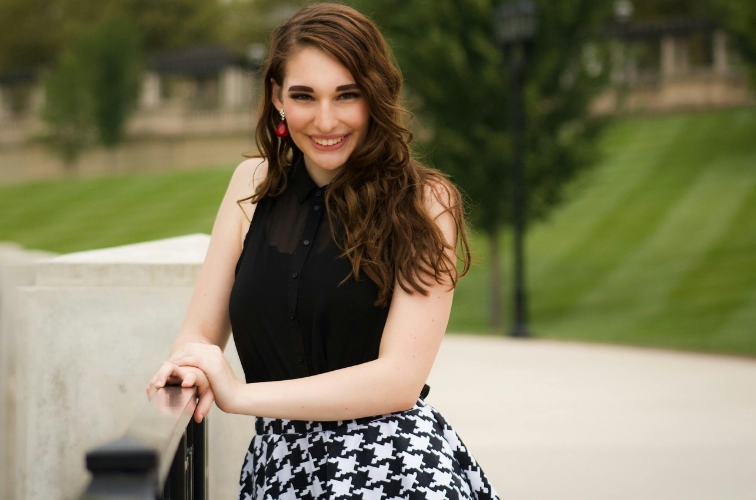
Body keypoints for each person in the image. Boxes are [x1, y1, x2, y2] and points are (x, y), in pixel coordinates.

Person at [147, 4, 499, 499]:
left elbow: (398, 379)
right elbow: (199, 335)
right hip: (279, 467)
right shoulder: (252, 184)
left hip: (396, 466)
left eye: (347, 95)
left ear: (374, 97)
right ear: (277, 99)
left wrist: (241, 395)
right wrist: (186, 366)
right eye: (304, 96)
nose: (326, 120)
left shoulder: (426, 203)